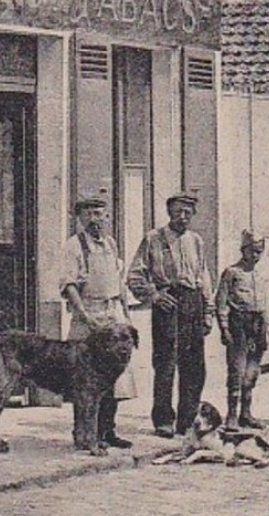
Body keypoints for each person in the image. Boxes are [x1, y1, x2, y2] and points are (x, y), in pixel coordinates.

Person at [127, 190, 215, 439]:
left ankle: (187, 421)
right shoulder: (154, 238)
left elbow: (204, 277)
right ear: (169, 212)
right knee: (165, 364)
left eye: (188, 212)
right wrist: (154, 295)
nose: (183, 216)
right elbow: (135, 275)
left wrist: (207, 312)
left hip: (193, 304)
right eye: (178, 211)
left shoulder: (196, 240)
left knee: (194, 367)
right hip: (168, 305)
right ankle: (163, 420)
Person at [59, 195, 137, 448]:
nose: (96, 220)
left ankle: (107, 431)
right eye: (90, 214)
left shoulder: (111, 244)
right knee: (84, 380)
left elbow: (119, 281)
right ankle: (83, 434)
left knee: (115, 378)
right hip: (89, 315)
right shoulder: (74, 246)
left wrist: (125, 312)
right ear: (80, 218)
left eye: (100, 214)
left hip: (112, 312)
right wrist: (83, 314)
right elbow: (69, 284)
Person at [215, 231, 269, 430]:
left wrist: (266, 328)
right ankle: (232, 415)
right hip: (239, 323)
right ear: (243, 250)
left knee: (252, 371)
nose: (255, 256)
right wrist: (224, 328)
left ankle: (246, 413)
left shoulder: (260, 274)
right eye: (252, 251)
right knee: (237, 369)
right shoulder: (232, 272)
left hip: (258, 322)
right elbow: (221, 301)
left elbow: (264, 303)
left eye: (259, 252)